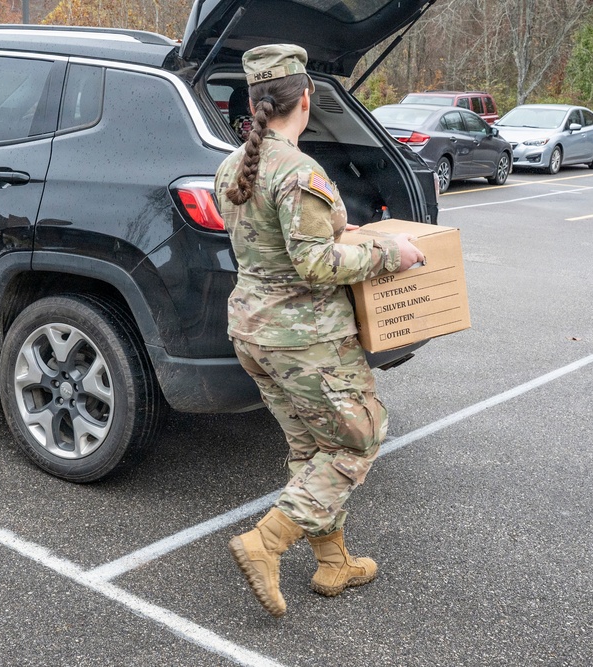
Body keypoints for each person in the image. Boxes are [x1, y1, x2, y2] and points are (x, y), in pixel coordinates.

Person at [214, 44, 426, 617]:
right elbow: (312, 264)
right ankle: (267, 542)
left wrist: (337, 227)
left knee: (310, 448)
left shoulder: (233, 165)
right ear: (305, 99)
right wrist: (389, 254)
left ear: (255, 102)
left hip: (252, 332)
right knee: (359, 437)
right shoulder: (300, 169)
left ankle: (334, 562)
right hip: (304, 337)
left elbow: (273, 242)